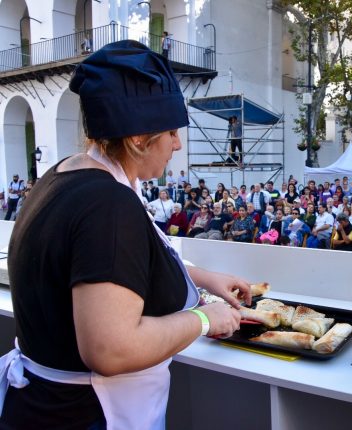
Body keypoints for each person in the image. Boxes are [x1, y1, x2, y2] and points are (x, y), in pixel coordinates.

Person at [1, 41, 250, 429]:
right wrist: (204, 318)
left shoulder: (66, 173)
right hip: (85, 414)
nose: (177, 143)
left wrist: (203, 279)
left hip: (39, 405)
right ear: (137, 138)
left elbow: (110, 264)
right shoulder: (108, 204)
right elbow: (111, 349)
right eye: (170, 131)